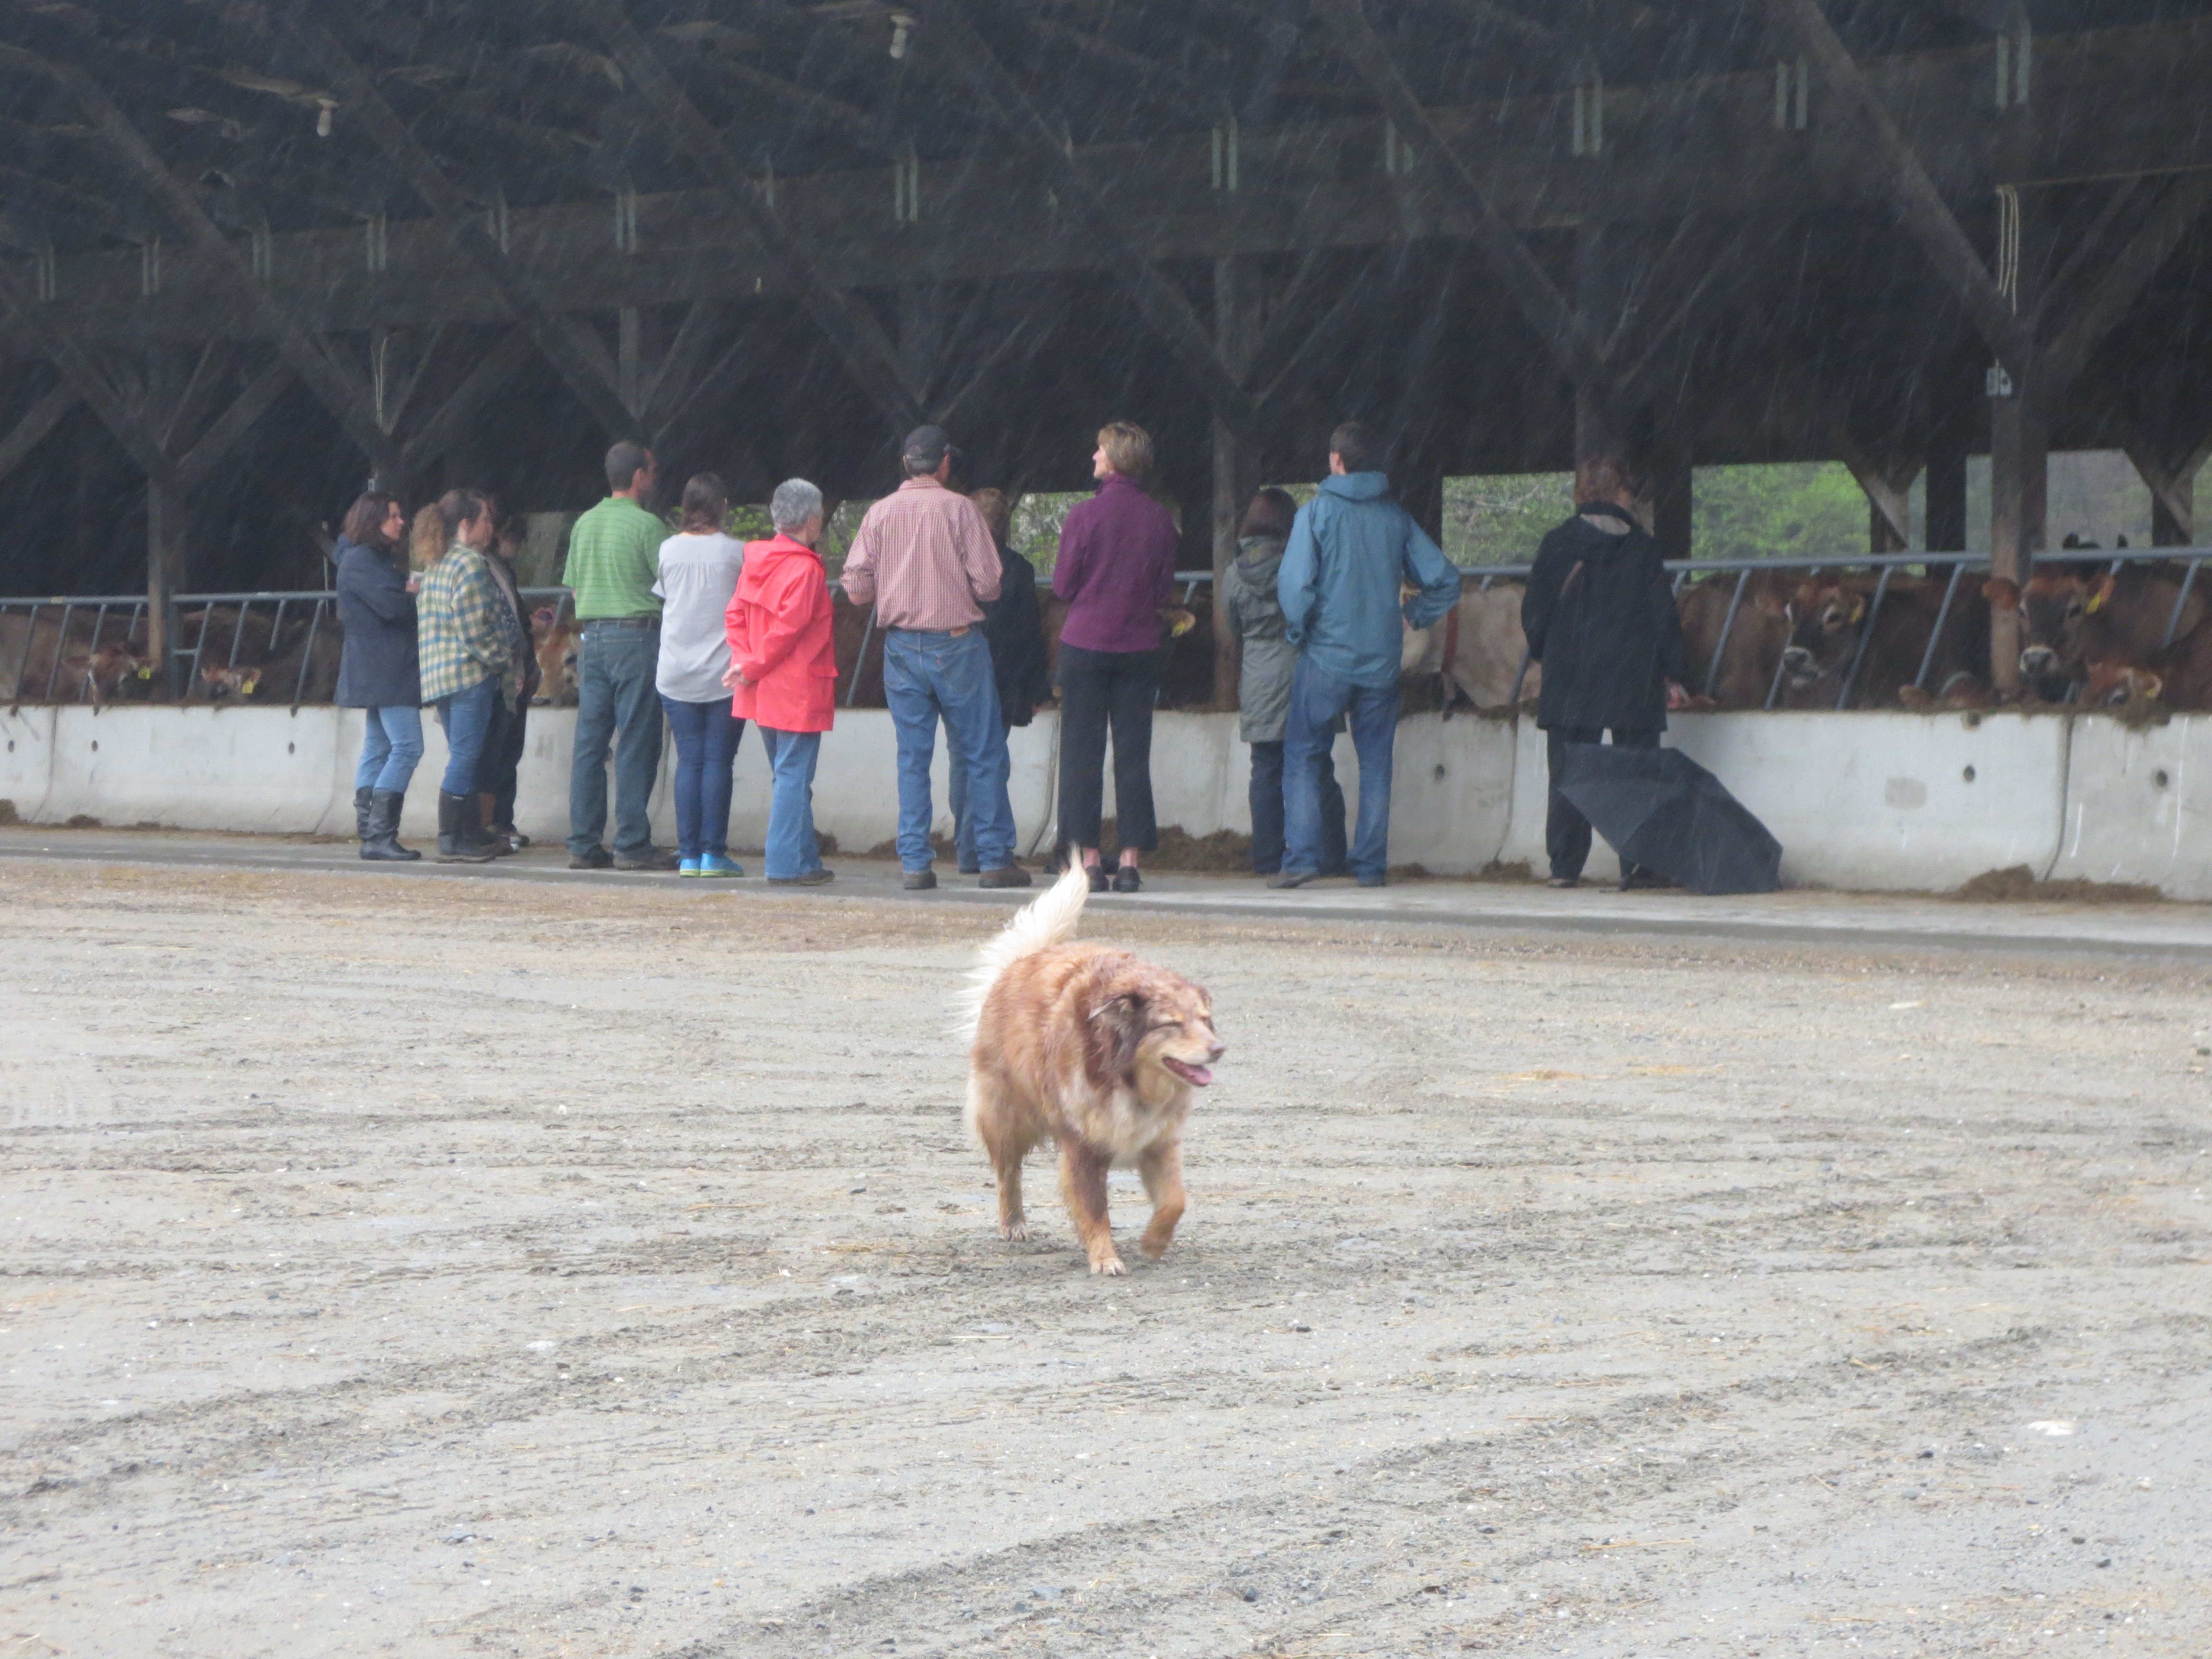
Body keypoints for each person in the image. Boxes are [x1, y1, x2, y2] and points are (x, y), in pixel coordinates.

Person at [840, 424, 1030, 891]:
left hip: (902, 646)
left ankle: (915, 863)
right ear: (945, 463)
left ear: (906, 463)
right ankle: (992, 859)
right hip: (957, 643)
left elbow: (857, 590)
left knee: (913, 757)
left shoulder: (880, 514)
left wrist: (899, 582)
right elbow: (990, 585)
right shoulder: (961, 511)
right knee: (982, 752)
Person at [1272, 421, 1460, 889]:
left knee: (1304, 756)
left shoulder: (1314, 516)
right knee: (1376, 763)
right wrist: (1415, 613)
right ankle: (1371, 866)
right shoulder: (1395, 519)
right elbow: (1447, 580)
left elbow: (1295, 588)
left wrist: (1301, 631)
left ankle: (1302, 859)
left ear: (1336, 461)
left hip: (1326, 660)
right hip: (1380, 664)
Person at [1522, 454, 1689, 891]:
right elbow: (1663, 617)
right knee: (1634, 774)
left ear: (1581, 494)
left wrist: (1549, 653)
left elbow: (1534, 613)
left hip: (1570, 678)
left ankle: (1564, 865)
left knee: (1570, 773)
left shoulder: (1556, 544)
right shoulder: (1643, 549)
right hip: (1632, 677)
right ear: (1623, 495)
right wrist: (1676, 671)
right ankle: (1637, 865)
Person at [1050, 422, 1179, 893]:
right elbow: (1164, 590)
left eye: (1100, 449)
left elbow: (1063, 586)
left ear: (1116, 458)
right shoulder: (1160, 520)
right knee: (1132, 755)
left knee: (1082, 754)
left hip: (1086, 643)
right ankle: (1129, 862)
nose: (1093, 457)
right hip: (1140, 646)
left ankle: (1088, 861)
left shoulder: (1085, 516)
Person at [1217, 487, 1346, 879]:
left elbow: (1232, 628)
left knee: (1267, 768)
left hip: (1260, 675)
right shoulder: (1307, 563)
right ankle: (1331, 855)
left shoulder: (1234, 573)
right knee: (1317, 764)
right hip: (1309, 667)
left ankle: (1268, 857)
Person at [564, 441, 674, 871]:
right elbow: (668, 587)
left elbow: (574, 589)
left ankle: (583, 841)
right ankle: (631, 841)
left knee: (590, 743)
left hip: (594, 639)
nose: (655, 478)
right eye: (652, 471)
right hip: (636, 638)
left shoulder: (584, 524)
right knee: (636, 740)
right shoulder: (649, 528)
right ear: (639, 477)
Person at [724, 479, 837, 887]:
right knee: (793, 778)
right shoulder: (805, 569)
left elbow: (734, 617)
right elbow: (789, 631)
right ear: (810, 521)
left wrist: (744, 663)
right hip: (798, 687)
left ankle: (805, 861)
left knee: (787, 775)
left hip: (760, 688)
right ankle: (785, 864)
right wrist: (751, 665)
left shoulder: (755, 561)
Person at [416, 489, 524, 865]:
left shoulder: (436, 564)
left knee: (464, 753)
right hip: (469, 674)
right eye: (485, 520)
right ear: (467, 525)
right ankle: (451, 836)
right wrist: (500, 659)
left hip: (439, 674)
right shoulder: (470, 565)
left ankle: (470, 831)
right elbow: (476, 627)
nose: (491, 528)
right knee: (466, 757)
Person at [950, 486, 1051, 876]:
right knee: (988, 759)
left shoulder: (952, 564)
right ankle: (980, 849)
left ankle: (966, 846)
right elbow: (1029, 632)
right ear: (1004, 525)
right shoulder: (1017, 568)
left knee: (961, 757)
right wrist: (1036, 686)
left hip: (956, 670)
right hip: (1002, 674)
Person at [654, 473, 749, 877]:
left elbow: (666, 599)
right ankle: (713, 854)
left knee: (688, 762)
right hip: (724, 673)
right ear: (722, 505)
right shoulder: (736, 553)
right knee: (717, 763)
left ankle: (689, 854)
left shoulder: (669, 549)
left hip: (675, 672)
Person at [333, 490, 423, 863]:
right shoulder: (362, 561)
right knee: (408, 746)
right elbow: (392, 607)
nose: (402, 522)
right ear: (375, 521)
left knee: (379, 746)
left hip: (377, 667)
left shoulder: (366, 560)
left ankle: (372, 832)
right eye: (395, 516)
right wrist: (414, 593)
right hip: (386, 667)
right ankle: (379, 833)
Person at [473, 507, 539, 856]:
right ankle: (489, 825)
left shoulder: (501, 570)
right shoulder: (479, 567)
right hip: (499, 673)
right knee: (491, 753)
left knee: (507, 751)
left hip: (515, 670)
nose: (519, 546)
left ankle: (501, 821)